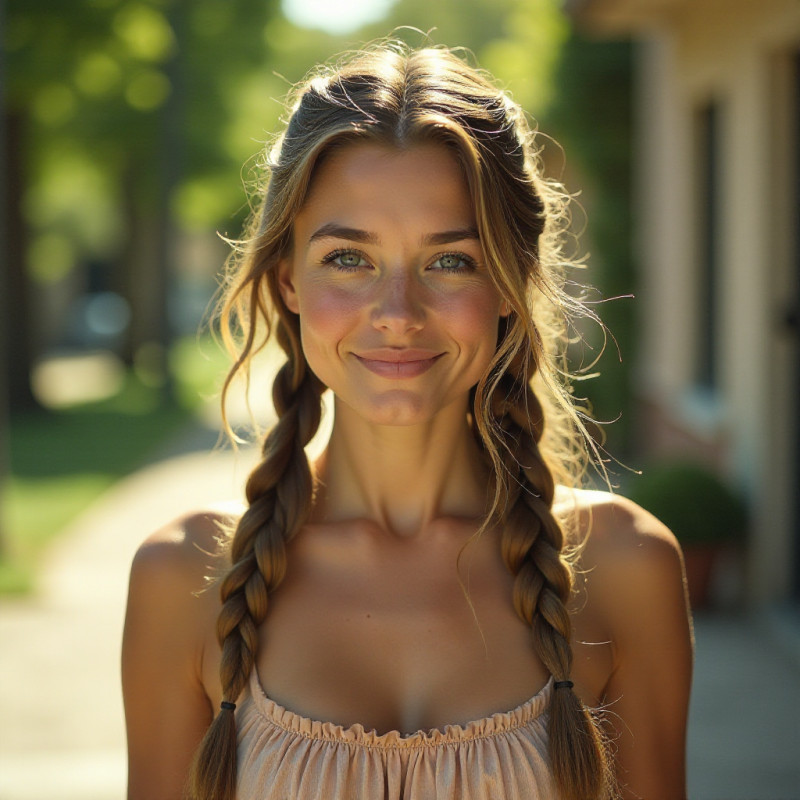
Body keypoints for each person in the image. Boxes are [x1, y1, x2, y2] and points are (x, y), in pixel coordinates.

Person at [122, 42, 693, 800]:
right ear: (289, 279)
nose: (397, 315)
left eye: (450, 261)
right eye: (348, 260)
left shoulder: (626, 568)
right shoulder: (185, 578)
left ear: (509, 285)